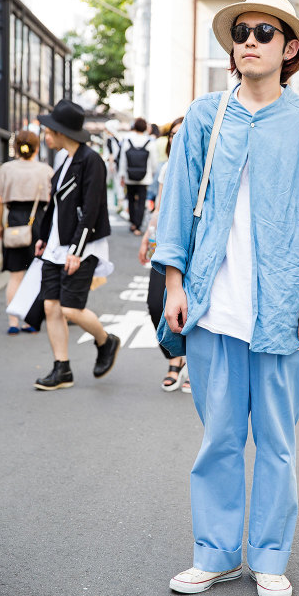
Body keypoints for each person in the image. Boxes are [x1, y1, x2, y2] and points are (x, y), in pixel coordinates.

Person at [152, 0, 299, 596]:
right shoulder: (206, 117)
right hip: (212, 305)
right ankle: (213, 554)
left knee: (278, 442)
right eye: (242, 33)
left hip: (286, 309)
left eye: (264, 33)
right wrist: (175, 285)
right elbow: (179, 205)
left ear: (289, 48)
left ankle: (268, 556)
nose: (249, 43)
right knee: (219, 439)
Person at [34, 99, 120, 390]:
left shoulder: (91, 161)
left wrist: (77, 250)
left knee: (71, 309)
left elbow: (91, 208)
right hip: (56, 246)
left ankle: (106, 341)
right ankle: (62, 369)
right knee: (51, 307)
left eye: (49, 131)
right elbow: (57, 207)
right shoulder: (63, 160)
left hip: (82, 247)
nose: (46, 135)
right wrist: (43, 238)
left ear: (61, 133)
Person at [138, 118, 189, 392]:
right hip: (165, 245)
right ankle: (175, 357)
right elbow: (159, 208)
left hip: (193, 248)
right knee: (155, 304)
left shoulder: (204, 166)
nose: (176, 139)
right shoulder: (167, 168)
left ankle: (189, 364)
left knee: (191, 306)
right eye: (172, 135)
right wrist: (148, 236)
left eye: (182, 135)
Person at [0, 130, 53, 334]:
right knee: (35, 273)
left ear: (16, 148)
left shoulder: (6, 169)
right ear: (36, 147)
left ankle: (13, 322)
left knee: (15, 275)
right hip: (38, 221)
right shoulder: (45, 170)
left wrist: (0, 226)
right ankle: (31, 320)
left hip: (14, 222)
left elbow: (0, 200)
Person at [119, 117, 158, 234]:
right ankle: (138, 226)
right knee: (141, 201)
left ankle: (133, 222)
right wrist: (152, 172)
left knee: (130, 199)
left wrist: (122, 175)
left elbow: (123, 160)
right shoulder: (149, 141)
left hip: (129, 176)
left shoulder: (127, 140)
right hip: (144, 177)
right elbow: (154, 161)